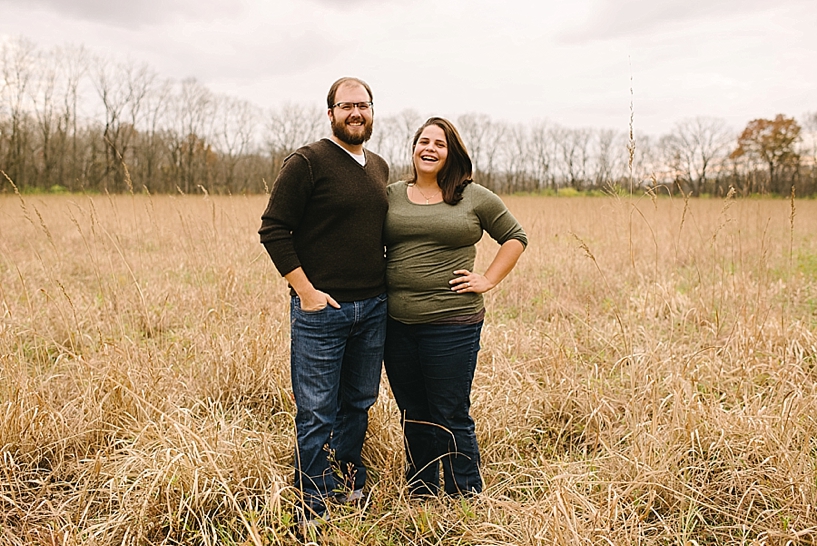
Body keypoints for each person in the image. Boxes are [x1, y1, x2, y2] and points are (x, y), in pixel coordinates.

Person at [258, 77, 389, 522]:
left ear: (373, 111)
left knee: (358, 402)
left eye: (363, 105)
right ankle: (311, 503)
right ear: (330, 112)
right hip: (322, 311)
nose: (356, 112)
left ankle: (347, 483)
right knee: (316, 411)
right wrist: (306, 292)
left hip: (372, 309)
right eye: (346, 105)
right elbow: (273, 230)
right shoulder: (307, 162)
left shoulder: (379, 167)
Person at [383, 117, 526, 496]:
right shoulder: (392, 194)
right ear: (413, 149)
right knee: (414, 411)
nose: (429, 149)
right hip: (396, 322)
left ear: (452, 154)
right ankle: (422, 490)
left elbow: (514, 237)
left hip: (452, 322)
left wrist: (489, 279)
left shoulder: (473, 196)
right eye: (423, 141)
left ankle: (465, 494)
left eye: (439, 144)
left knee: (449, 411)